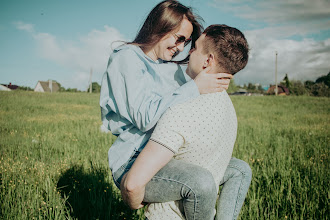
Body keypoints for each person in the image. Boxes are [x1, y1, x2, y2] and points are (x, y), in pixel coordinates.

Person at [100, 1, 234, 219]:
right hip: (134, 160)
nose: (181, 48)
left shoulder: (166, 66)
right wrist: (194, 87)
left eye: (187, 42)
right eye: (179, 38)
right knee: (201, 182)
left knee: (238, 170)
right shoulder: (127, 58)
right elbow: (145, 117)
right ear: (160, 26)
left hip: (164, 154)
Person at [121, 25, 252, 220]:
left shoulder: (182, 110)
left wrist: (134, 203)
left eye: (196, 48)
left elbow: (132, 184)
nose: (189, 51)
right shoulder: (228, 107)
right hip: (199, 204)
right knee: (239, 168)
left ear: (208, 61)